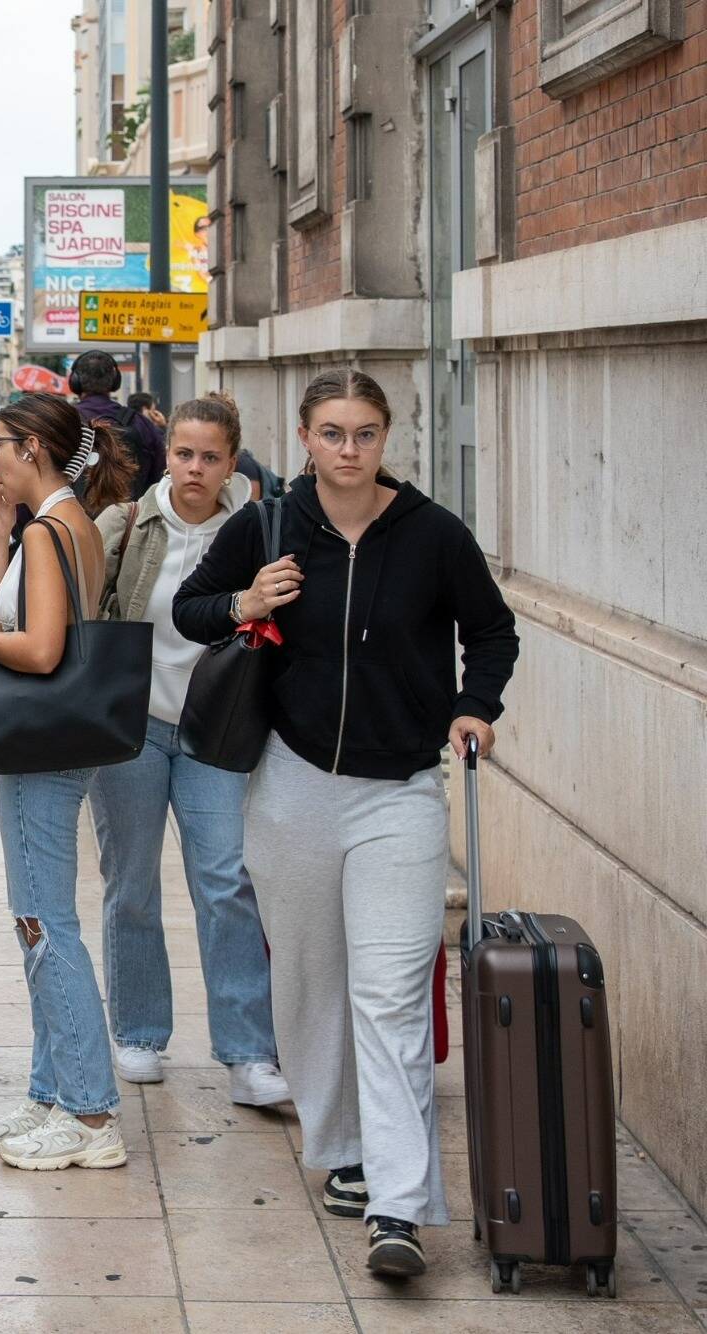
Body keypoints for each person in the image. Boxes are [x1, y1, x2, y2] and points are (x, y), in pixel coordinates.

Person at [173, 368, 519, 1278]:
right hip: (290, 784)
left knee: (393, 991)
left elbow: (493, 633)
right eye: (332, 433)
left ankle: (400, 1207)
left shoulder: (434, 534)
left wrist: (475, 706)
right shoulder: (269, 524)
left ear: (386, 437)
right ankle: (345, 1154)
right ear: (304, 435)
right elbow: (188, 609)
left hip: (400, 791)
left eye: (366, 433)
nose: (350, 450)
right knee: (312, 985)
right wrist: (246, 601)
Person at [0, 393, 138, 1172]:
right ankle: (51, 1093)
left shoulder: (56, 530)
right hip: (53, 741)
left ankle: (90, 1113)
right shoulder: (56, 524)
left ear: (34, 451)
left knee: (46, 924)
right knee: (37, 920)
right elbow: (5, 613)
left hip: (44, 749)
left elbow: (38, 649)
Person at [88, 393, 289, 1107]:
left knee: (227, 882)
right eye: (183, 454)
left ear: (233, 462)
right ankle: (139, 1031)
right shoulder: (128, 521)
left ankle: (247, 1052)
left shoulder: (258, 531)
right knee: (132, 884)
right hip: (132, 727)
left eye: (210, 457)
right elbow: (77, 603)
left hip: (218, 733)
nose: (195, 469)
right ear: (164, 454)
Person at [71, 350, 165, 499]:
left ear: (75, 381)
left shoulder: (60, 421)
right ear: (116, 381)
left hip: (69, 519)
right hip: (129, 519)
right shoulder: (141, 424)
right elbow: (161, 477)